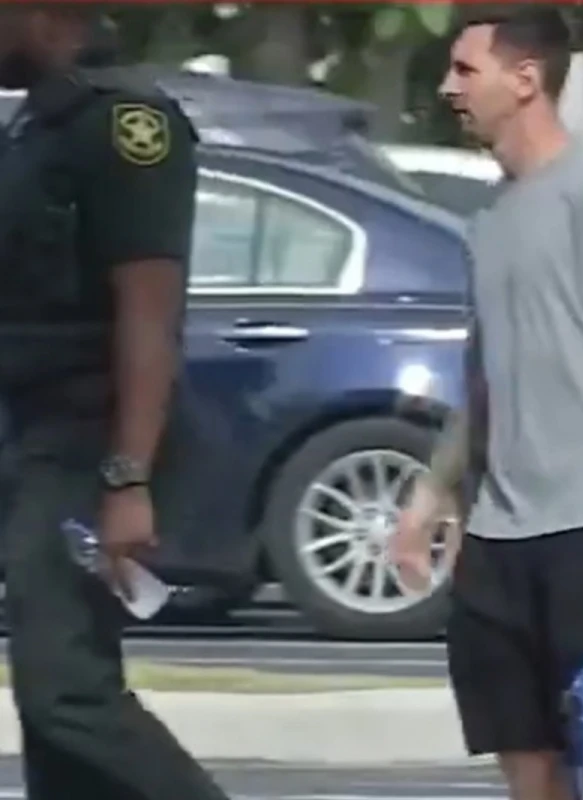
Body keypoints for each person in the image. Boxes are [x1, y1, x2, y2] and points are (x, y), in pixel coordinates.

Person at [390, 6, 583, 800]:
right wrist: (431, 496)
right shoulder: (487, 216)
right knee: (521, 750)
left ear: (526, 80)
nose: (447, 86)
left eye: (465, 70)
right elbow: (487, 375)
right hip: (498, 530)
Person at [0, 8, 229, 800]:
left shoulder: (128, 122)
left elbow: (148, 308)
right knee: (50, 697)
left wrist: (126, 475)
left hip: (87, 438)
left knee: (65, 688)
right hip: (34, 437)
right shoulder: (40, 120)